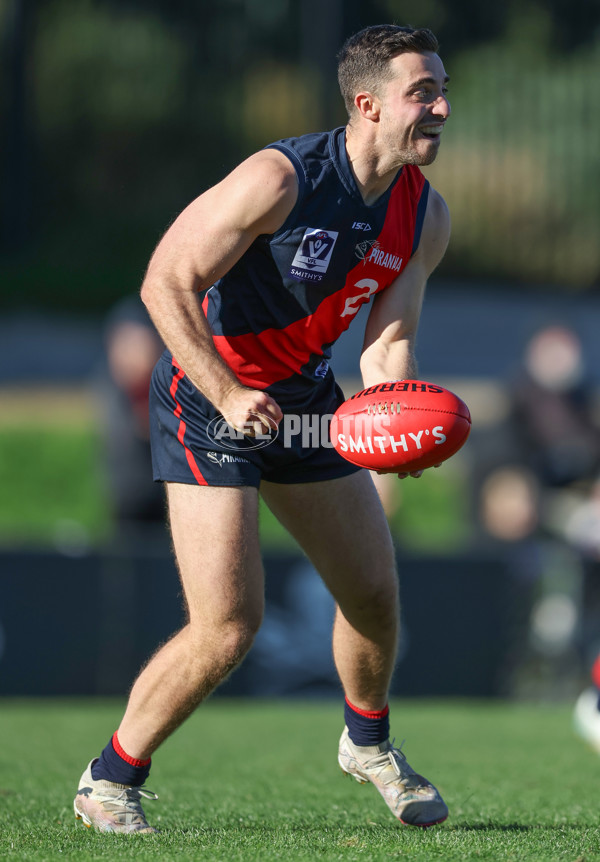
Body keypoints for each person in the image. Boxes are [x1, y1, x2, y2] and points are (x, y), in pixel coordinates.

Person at [74, 23, 452, 833]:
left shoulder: (425, 216)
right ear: (367, 105)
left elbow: (386, 343)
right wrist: (225, 388)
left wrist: (396, 423)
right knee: (229, 627)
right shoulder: (278, 178)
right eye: (423, 92)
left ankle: (368, 743)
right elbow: (164, 282)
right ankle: (109, 778)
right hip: (208, 398)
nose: (442, 107)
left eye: (442, 90)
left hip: (305, 403)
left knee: (374, 594)